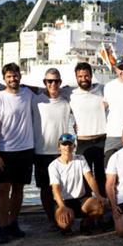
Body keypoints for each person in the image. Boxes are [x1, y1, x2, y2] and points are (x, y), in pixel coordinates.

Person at [0, 63, 35, 244]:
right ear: (4, 78)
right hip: (5, 151)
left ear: (20, 76)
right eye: (9, 76)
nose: (13, 79)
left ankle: (13, 223)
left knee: (19, 189)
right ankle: (2, 226)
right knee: (3, 190)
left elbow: (45, 92)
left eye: (15, 75)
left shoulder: (28, 94)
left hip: (25, 150)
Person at [32, 67, 72, 231]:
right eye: (49, 81)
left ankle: (63, 216)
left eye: (56, 81)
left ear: (60, 82)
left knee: (62, 187)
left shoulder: (66, 101)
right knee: (45, 189)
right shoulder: (36, 100)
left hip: (61, 152)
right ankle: (51, 219)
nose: (53, 84)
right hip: (41, 152)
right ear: (44, 83)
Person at [49, 133, 106, 236]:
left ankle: (84, 224)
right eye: (64, 144)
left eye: (70, 144)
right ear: (59, 148)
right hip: (64, 201)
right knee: (64, 224)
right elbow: (55, 189)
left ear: (74, 146)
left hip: (81, 199)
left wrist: (98, 195)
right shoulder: (53, 166)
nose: (67, 147)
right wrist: (62, 206)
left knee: (100, 208)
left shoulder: (80, 159)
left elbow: (90, 178)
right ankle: (66, 227)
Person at [68, 62, 108, 197]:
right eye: (80, 76)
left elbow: (121, 86)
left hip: (102, 139)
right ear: (76, 77)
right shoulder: (71, 94)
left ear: (91, 76)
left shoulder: (102, 89)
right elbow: (47, 90)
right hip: (83, 141)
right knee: (84, 177)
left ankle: (103, 205)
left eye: (86, 76)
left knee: (102, 176)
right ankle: (88, 207)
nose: (83, 79)